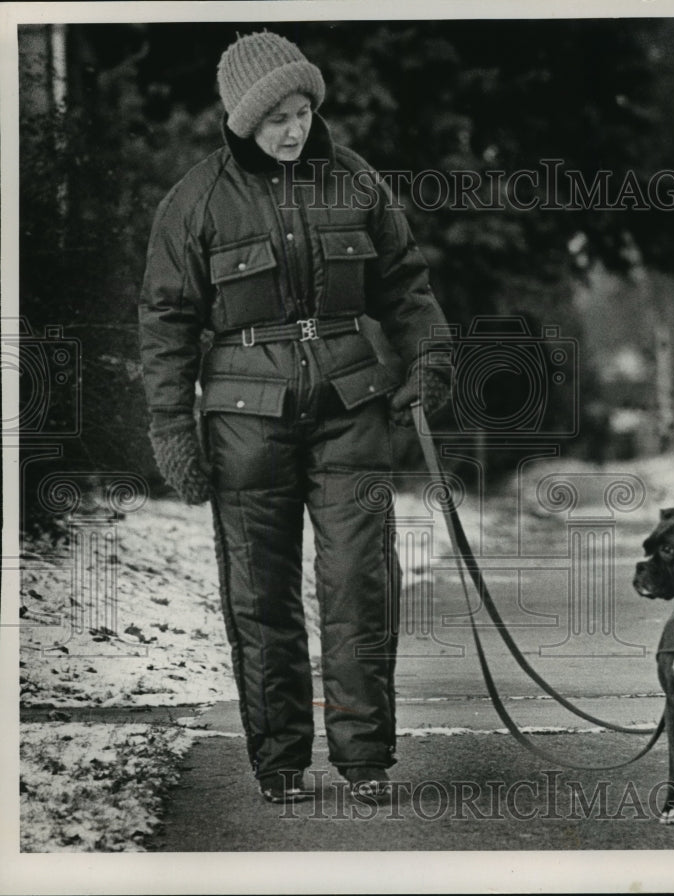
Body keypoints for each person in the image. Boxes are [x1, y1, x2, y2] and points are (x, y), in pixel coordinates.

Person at [139, 30, 450, 804]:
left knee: (359, 584)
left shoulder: (355, 184)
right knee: (260, 594)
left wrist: (429, 359)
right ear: (243, 118)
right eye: (276, 115)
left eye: (303, 110)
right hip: (245, 425)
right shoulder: (194, 203)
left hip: (352, 406)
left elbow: (406, 286)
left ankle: (366, 758)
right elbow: (166, 326)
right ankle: (278, 762)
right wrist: (173, 431)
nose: (293, 128)